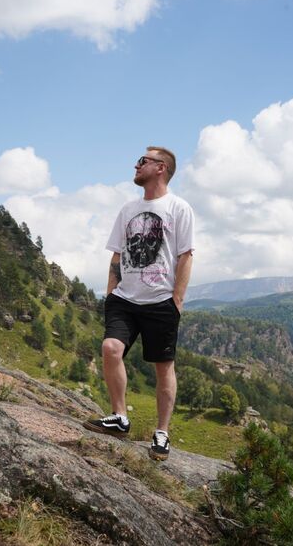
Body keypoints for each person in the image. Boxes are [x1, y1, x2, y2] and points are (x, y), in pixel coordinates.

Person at [83, 147, 194, 460]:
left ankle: (162, 433)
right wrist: (111, 294)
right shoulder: (128, 209)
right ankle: (120, 417)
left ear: (161, 168)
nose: (136, 165)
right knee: (110, 349)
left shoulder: (179, 208)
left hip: (161, 301)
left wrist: (177, 300)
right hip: (124, 300)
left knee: (163, 367)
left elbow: (186, 255)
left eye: (143, 161)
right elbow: (117, 254)